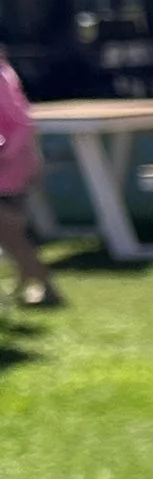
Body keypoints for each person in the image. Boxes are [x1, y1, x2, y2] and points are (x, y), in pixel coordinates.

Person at [0, 41, 62, 307]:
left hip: (8, 166)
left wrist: (5, 153)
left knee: (8, 230)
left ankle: (44, 284)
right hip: (13, 163)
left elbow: (21, 123)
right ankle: (27, 281)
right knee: (10, 229)